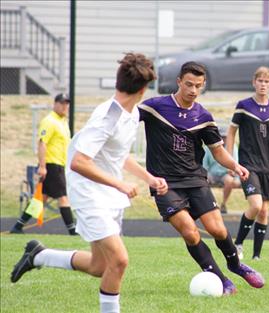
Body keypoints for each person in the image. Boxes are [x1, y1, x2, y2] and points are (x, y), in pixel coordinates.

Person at [10, 52, 168, 313]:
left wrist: (148, 177)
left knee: (99, 267)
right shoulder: (109, 115)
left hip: (108, 194)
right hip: (89, 193)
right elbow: (80, 162)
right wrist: (120, 185)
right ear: (143, 89)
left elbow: (118, 154)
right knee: (119, 260)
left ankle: (38, 255)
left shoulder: (131, 114)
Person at [138, 61, 264, 295]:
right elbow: (124, 117)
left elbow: (217, 151)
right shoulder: (154, 107)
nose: (193, 90)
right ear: (178, 82)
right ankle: (221, 279)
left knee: (217, 229)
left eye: (198, 86)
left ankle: (236, 265)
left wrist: (235, 165)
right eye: (188, 84)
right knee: (189, 231)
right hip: (165, 184)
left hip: (195, 180)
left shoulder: (204, 116)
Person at [226, 66, 269, 260]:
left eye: (267, 81)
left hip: (268, 166)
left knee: (264, 211)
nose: (263, 84)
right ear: (254, 82)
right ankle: (238, 244)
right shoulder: (243, 105)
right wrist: (230, 161)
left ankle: (257, 256)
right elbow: (231, 132)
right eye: (260, 81)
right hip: (248, 165)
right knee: (255, 205)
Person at [10, 93, 76, 235]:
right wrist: (42, 166)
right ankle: (72, 230)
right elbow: (42, 143)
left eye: (67, 103)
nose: (65, 106)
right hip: (52, 164)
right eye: (62, 103)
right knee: (63, 197)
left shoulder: (62, 122)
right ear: (55, 104)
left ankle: (18, 226)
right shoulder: (50, 121)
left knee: (41, 198)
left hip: (59, 165)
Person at [202, 129, 241, 214]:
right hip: (212, 173)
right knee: (203, 180)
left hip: (225, 174)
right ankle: (210, 204)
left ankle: (223, 203)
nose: (223, 139)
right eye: (221, 137)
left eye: (225, 137)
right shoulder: (208, 148)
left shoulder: (233, 147)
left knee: (229, 180)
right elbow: (204, 165)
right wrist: (206, 175)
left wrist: (232, 171)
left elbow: (235, 164)